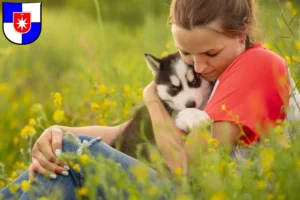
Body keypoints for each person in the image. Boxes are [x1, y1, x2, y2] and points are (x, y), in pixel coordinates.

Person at [0, 0, 293, 199]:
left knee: (74, 155)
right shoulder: (217, 75)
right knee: (64, 148)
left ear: (242, 33)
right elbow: (122, 132)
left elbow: (186, 170)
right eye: (186, 53)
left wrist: (152, 98)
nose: (199, 66)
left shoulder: (257, 64)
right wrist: (57, 133)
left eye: (210, 53)